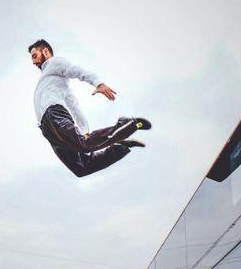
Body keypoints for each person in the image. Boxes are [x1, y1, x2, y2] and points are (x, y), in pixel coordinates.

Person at [28, 39, 151, 178]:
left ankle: (128, 124)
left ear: (45, 51)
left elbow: (76, 70)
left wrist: (98, 83)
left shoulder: (55, 62)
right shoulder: (53, 81)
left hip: (53, 115)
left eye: (34, 56)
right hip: (47, 129)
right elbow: (74, 106)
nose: (33, 62)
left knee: (84, 144)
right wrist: (84, 131)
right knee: (81, 167)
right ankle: (121, 146)